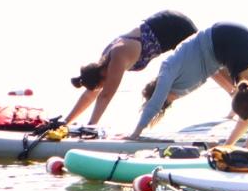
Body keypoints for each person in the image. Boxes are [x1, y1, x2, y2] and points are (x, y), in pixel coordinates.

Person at [126, 22, 248, 137]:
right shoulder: (179, 86)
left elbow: (154, 103)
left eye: (166, 101)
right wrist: (230, 116)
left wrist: (136, 133)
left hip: (227, 38)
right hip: (228, 39)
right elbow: (230, 83)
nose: (172, 101)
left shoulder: (167, 69)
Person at [63, 11, 198, 127]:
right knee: (204, 66)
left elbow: (105, 95)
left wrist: (91, 127)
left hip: (175, 25)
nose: (103, 86)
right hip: (165, 32)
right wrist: (65, 122)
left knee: (205, 64)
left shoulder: (118, 55)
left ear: (101, 75)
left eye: (100, 85)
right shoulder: (102, 64)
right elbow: (89, 94)